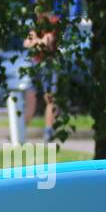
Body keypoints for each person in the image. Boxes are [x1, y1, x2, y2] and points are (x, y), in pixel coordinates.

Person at [22, 8, 62, 143]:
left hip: (49, 64)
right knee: (30, 98)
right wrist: (38, 41)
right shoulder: (36, 23)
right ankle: (20, 131)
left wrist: (37, 41)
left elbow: (48, 42)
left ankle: (48, 131)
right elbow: (27, 43)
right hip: (35, 64)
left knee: (49, 98)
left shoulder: (54, 22)